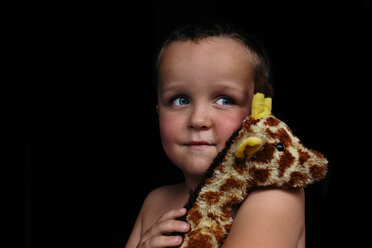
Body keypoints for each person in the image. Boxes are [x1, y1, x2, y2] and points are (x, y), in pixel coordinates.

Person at [126, 22, 305, 248]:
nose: (198, 120)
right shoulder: (155, 202)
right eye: (180, 100)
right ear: (159, 111)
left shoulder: (275, 196)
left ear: (259, 113)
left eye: (225, 100)